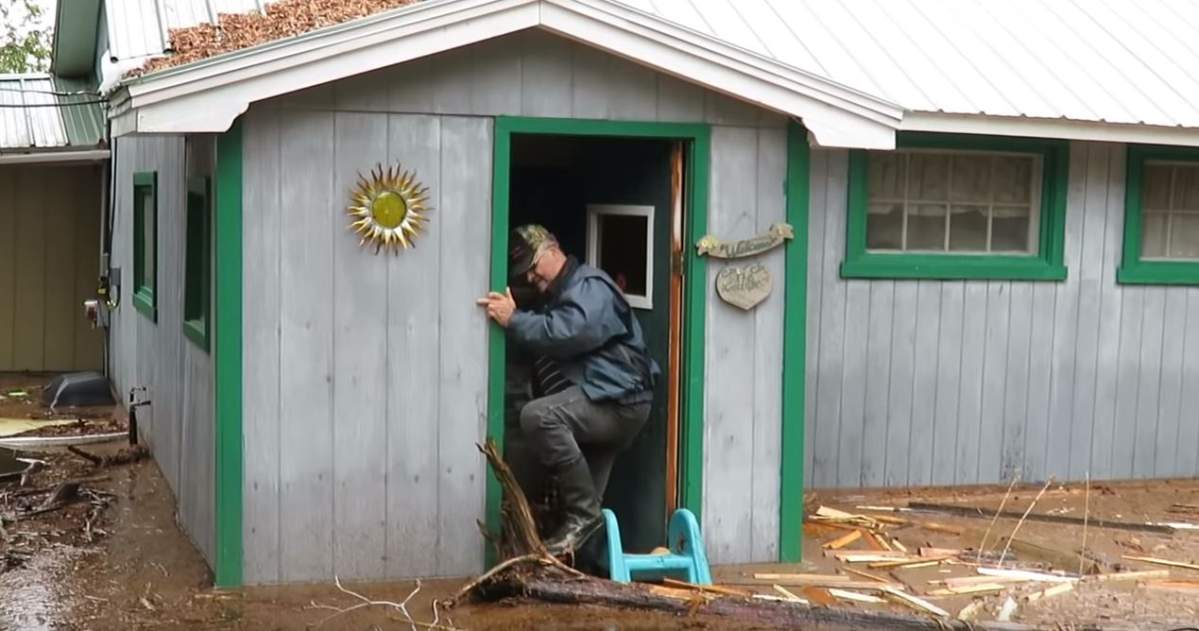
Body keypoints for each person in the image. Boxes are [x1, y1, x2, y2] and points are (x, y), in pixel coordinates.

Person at [477, 224, 660, 555]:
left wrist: (513, 319)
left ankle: (584, 517)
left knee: (538, 417)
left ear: (552, 250)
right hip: (609, 399)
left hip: (618, 400)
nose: (531, 277)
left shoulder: (589, 286)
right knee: (581, 512)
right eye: (525, 273)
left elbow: (567, 334)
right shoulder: (561, 295)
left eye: (533, 267)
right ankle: (587, 573)